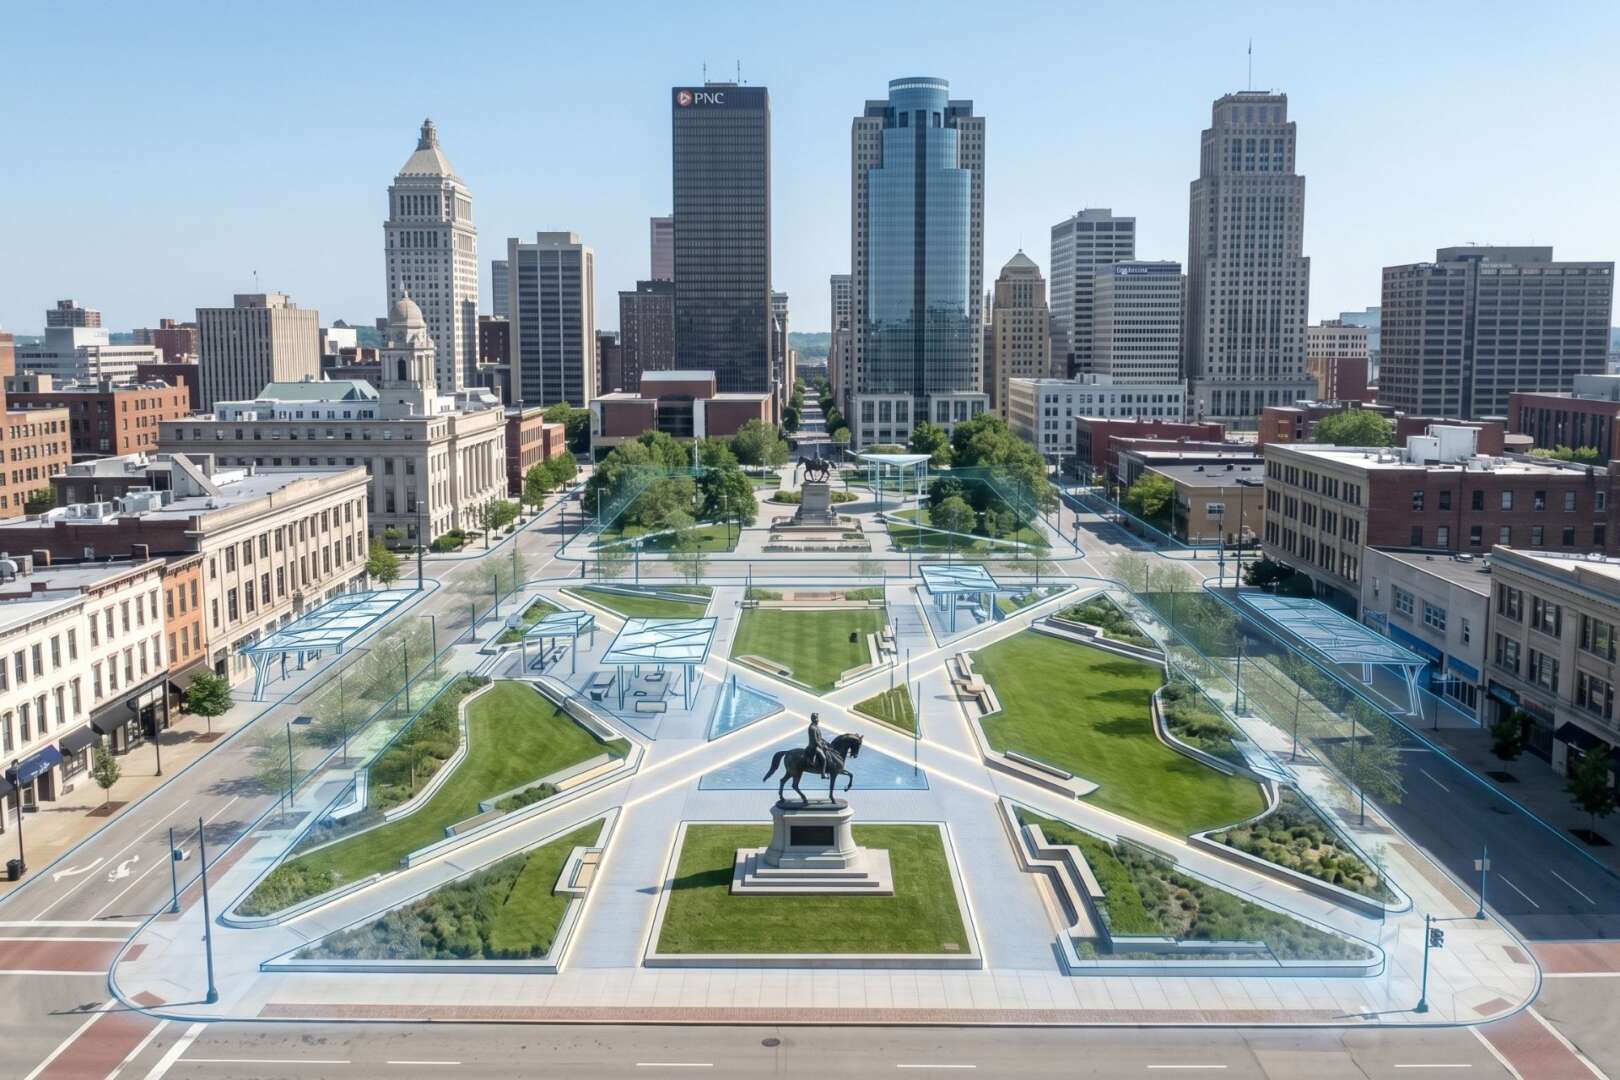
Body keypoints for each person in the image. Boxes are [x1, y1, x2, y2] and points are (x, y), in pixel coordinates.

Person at [804, 712, 832, 777]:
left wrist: (826, 743)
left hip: (817, 745)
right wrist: (822, 746)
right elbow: (815, 740)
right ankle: (823, 774)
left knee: (828, 753)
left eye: (817, 718)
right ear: (813, 719)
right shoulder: (812, 728)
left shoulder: (816, 726)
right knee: (824, 758)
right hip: (813, 747)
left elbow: (820, 737)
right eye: (816, 718)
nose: (818, 720)